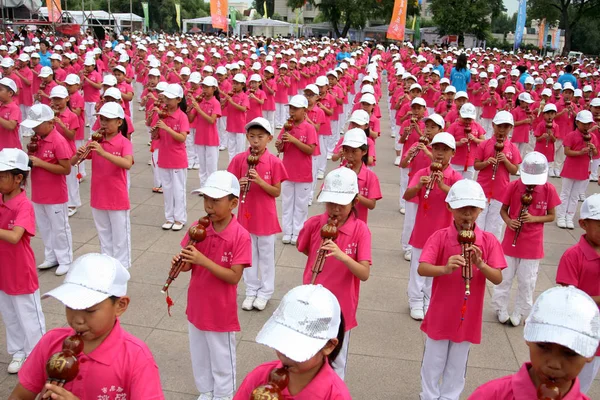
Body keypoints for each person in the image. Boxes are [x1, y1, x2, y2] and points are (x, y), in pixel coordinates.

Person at [8, 253, 164, 399]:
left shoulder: (136, 357)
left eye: (89, 310)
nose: (77, 320)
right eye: (70, 306)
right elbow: (20, 395)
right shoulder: (51, 342)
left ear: (120, 305)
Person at [418, 179, 505, 400]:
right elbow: (422, 268)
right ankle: (428, 395)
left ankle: (449, 396)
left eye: (472, 209)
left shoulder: (487, 240)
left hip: (468, 314)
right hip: (441, 310)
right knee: (433, 360)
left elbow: (497, 277)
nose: (467, 215)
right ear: (450, 208)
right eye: (461, 209)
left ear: (481, 209)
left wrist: (481, 264)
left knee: (458, 363)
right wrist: (445, 268)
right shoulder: (440, 237)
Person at [173, 170, 251, 400]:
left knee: (221, 356)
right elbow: (189, 265)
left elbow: (234, 276)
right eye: (206, 199)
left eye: (216, 201)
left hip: (220, 310)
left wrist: (202, 260)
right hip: (196, 302)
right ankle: (206, 390)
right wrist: (182, 263)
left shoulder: (240, 235)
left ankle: (224, 394)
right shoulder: (199, 227)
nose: (209, 206)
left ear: (233, 203)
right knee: (199, 353)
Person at [297, 167, 371, 380]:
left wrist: (343, 256)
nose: (335, 210)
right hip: (311, 302)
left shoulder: (361, 230)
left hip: (341, 307)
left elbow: (364, 273)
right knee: (308, 355)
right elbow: (303, 248)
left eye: (341, 204)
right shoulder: (314, 224)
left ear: (355, 202)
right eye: (330, 203)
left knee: (336, 359)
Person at [469, 286, 600, 399]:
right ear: (528, 336)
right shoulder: (490, 395)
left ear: (591, 352)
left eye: (570, 353)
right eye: (543, 346)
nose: (554, 364)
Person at [234, 284, 352, 399]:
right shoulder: (260, 377)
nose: (285, 353)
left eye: (296, 346)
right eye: (282, 340)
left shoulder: (336, 395)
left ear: (328, 345)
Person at [492, 152, 560, 327]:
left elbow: (552, 216)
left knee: (527, 280)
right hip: (510, 240)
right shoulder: (514, 186)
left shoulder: (548, 189)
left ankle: (520, 311)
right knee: (505, 276)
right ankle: (500, 307)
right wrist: (509, 221)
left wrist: (534, 218)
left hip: (532, 243)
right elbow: (503, 210)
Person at [227, 117, 288, 311]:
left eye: (260, 137)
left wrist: (260, 181)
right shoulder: (239, 159)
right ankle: (251, 290)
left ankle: (265, 292)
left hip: (266, 217)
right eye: (252, 136)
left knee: (267, 256)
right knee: (248, 255)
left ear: (269, 138)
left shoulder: (273, 161)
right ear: (246, 137)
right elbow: (230, 186)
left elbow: (276, 192)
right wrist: (238, 183)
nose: (255, 141)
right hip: (246, 216)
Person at [404, 132, 462, 320]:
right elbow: (407, 195)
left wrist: (444, 186)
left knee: (436, 267)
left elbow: (460, 203)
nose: (439, 153)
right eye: (436, 148)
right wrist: (418, 187)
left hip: (444, 232)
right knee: (418, 267)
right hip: (422, 230)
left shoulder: (455, 177)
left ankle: (428, 298)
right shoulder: (422, 173)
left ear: (452, 152)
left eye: (445, 150)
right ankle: (415, 299)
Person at [0, 148, 46, 374]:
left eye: (2, 175)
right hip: (3, 269)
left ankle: (37, 354)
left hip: (20, 270)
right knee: (9, 313)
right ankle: (18, 351)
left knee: (29, 315)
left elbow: (15, 236)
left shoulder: (23, 205)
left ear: (19, 178)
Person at [72, 102, 133, 268]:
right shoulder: (96, 140)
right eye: (102, 119)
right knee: (104, 235)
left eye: (108, 120)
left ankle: (121, 269)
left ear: (119, 122)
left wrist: (102, 152)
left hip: (117, 197)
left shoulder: (123, 142)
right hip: (98, 195)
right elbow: (73, 162)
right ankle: (107, 268)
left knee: (120, 237)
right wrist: (78, 154)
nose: (104, 123)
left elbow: (127, 164)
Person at [555, 193, 600, 393]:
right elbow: (568, 299)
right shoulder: (573, 256)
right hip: (576, 332)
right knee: (567, 385)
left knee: (585, 385)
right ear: (583, 224)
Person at [22, 104, 73, 276]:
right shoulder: (38, 139)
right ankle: (51, 255)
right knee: (44, 227)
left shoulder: (58, 140)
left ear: (50, 122)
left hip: (55, 194)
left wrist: (40, 163)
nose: (35, 129)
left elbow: (66, 169)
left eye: (37, 125)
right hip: (39, 192)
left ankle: (65, 259)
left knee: (59, 228)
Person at [275, 95, 317, 245]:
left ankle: (298, 232)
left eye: (295, 109)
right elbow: (281, 147)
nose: (292, 112)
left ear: (304, 111)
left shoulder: (309, 128)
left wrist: (294, 140)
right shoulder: (288, 127)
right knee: (287, 203)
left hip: (303, 173)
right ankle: (287, 231)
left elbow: (310, 150)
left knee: (300, 205)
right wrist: (280, 144)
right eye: (290, 108)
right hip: (287, 171)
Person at [474, 111, 522, 240]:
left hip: (501, 191)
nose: (502, 130)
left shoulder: (512, 148)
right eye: (499, 126)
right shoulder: (484, 144)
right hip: (482, 190)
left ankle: (491, 255)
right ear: (493, 125)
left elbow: (514, 170)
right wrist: (486, 162)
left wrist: (505, 161)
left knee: (495, 227)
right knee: (478, 224)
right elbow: (476, 165)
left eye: (506, 127)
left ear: (511, 128)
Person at [152, 83, 190, 232]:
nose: (167, 101)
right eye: (165, 98)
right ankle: (169, 217)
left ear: (179, 99)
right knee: (167, 189)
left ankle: (180, 218)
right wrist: (155, 131)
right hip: (164, 157)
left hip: (178, 159)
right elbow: (156, 136)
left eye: (170, 98)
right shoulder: (162, 115)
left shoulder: (182, 117)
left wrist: (166, 128)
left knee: (178, 189)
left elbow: (182, 138)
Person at [556, 110, 598, 229]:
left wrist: (593, 149)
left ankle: (569, 217)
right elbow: (567, 151)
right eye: (584, 123)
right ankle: (561, 216)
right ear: (577, 122)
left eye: (589, 124)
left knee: (575, 195)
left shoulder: (592, 137)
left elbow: (595, 153)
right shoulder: (571, 135)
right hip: (570, 168)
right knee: (565, 193)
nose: (587, 126)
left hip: (583, 169)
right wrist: (580, 152)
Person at [189, 76, 222, 191]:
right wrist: (191, 107)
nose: (204, 89)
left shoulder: (215, 103)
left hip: (211, 138)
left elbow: (212, 120)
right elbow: (191, 119)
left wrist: (198, 109)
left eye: (207, 87)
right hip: (200, 137)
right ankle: (203, 186)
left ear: (214, 88)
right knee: (202, 165)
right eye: (203, 87)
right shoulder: (200, 102)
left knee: (211, 165)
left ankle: (212, 186)